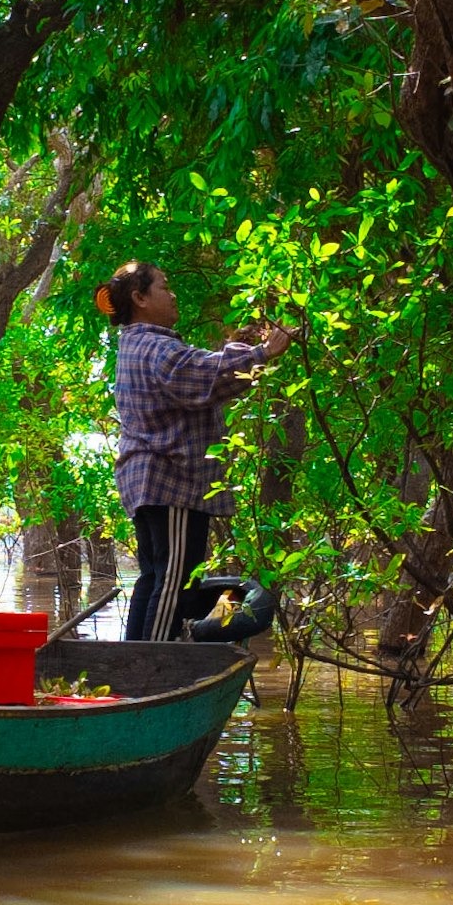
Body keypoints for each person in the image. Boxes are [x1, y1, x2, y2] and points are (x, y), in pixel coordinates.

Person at [98, 263, 289, 640]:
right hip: (172, 482)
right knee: (174, 578)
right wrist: (264, 352)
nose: (172, 296)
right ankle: (153, 668)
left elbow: (197, 372)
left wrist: (248, 347)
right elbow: (203, 375)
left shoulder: (137, 344)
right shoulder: (157, 347)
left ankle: (132, 659)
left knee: (156, 575)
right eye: (164, 287)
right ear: (140, 299)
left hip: (150, 482)